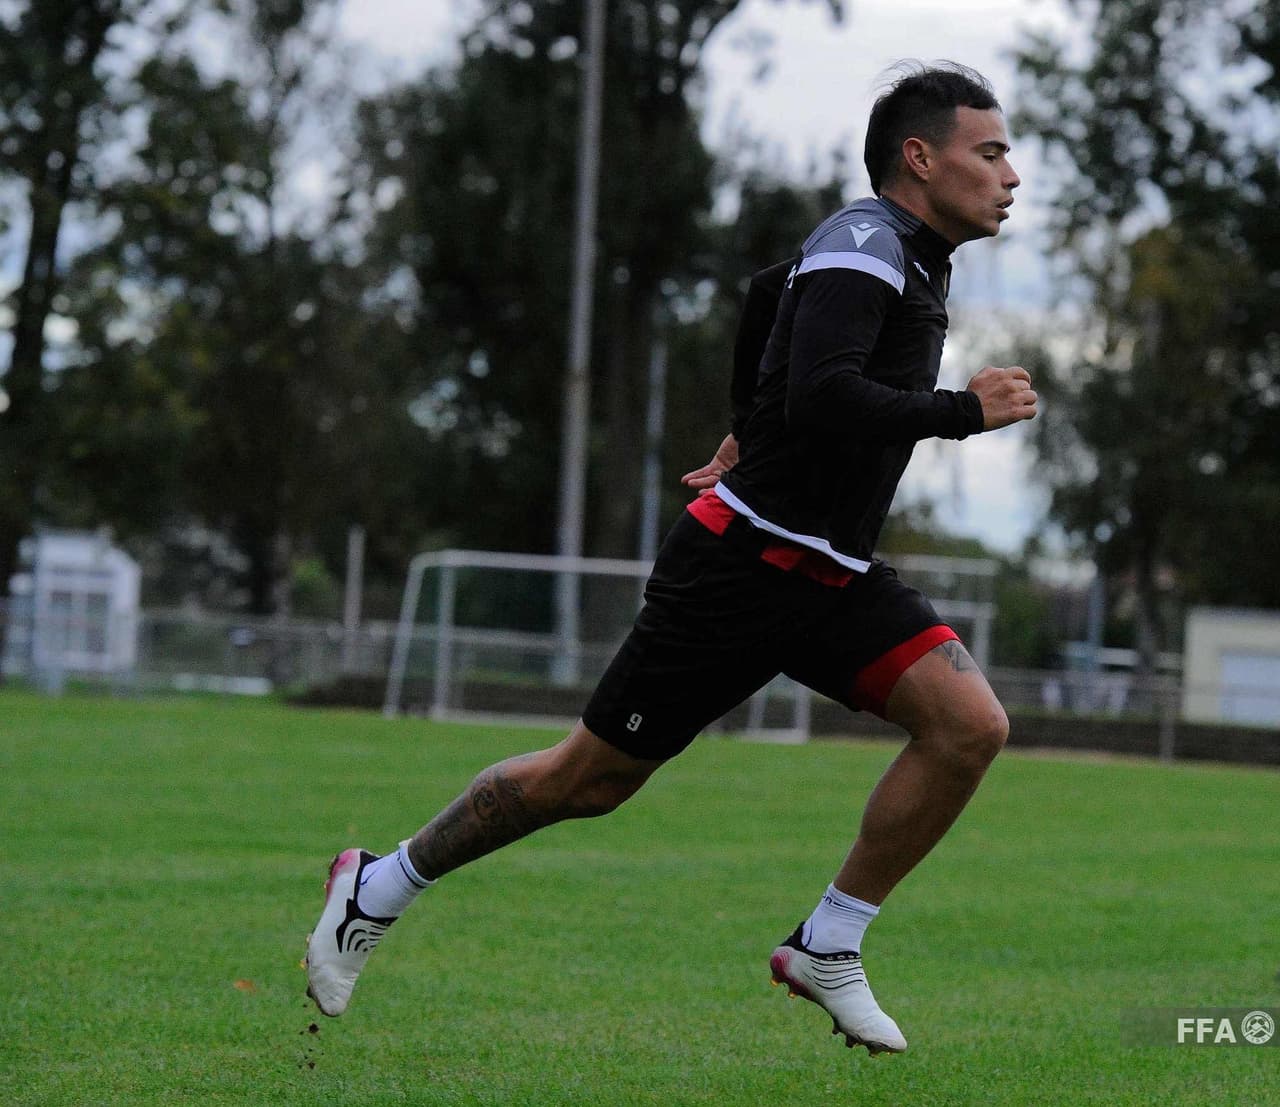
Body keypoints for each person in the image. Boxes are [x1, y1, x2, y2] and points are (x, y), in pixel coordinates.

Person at [306, 61, 1034, 1057]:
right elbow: (823, 394)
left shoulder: (901, 254)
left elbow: (764, 296)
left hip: (828, 575)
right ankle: (374, 886)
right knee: (587, 781)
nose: (1009, 173)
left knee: (966, 727)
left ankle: (829, 941)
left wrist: (745, 426)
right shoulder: (869, 244)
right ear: (919, 157)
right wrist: (962, 412)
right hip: (739, 571)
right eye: (987, 151)